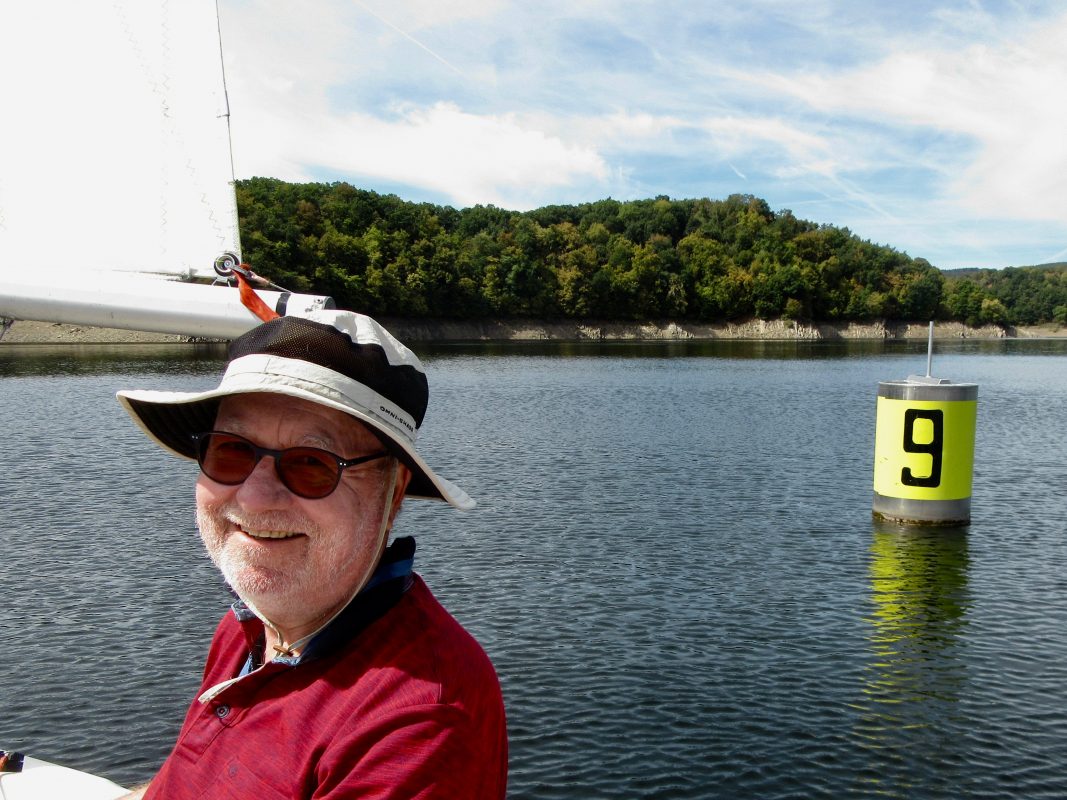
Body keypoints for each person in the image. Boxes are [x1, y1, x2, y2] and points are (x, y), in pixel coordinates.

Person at [115, 310, 507, 799]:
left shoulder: (417, 723)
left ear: (393, 493)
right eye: (231, 450)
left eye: (311, 464)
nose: (255, 499)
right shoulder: (251, 625)